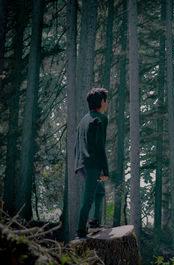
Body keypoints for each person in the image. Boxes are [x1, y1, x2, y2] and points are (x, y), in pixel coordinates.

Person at [74, 88, 110, 238]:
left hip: (81, 163)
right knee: (88, 197)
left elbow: (77, 144)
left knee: (99, 190)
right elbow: (100, 146)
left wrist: (77, 164)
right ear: (102, 102)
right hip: (92, 163)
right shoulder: (100, 119)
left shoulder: (84, 119)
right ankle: (81, 232)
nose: (107, 103)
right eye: (105, 100)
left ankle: (94, 223)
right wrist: (106, 171)